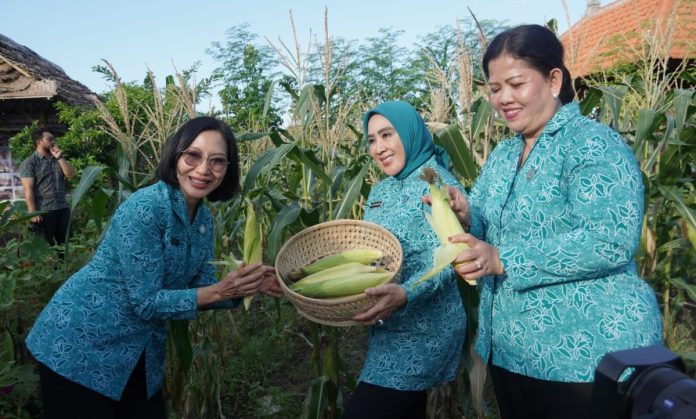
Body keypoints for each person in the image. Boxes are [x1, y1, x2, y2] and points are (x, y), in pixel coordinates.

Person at [444, 25, 663, 419]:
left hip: (585, 357)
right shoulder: (503, 156)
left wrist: (503, 260)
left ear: (554, 79)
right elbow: (489, 229)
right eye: (494, 89)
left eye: (516, 83)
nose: (503, 99)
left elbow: (608, 240)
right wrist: (466, 215)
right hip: (513, 352)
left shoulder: (591, 143)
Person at [25, 116, 282, 418]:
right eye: (193, 156)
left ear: (228, 170)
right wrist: (221, 290)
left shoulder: (202, 219)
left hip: (136, 353)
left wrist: (248, 287)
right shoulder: (146, 208)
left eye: (217, 161)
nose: (203, 170)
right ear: (175, 156)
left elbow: (203, 286)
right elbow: (147, 302)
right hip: (79, 348)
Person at [343, 101, 476, 419]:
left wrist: (406, 293)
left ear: (409, 132)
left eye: (387, 135)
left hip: (426, 328)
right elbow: (372, 250)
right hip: (387, 325)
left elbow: (453, 257)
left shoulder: (436, 182)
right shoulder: (379, 192)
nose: (378, 148)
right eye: (372, 140)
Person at [19, 128, 77, 247]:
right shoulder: (29, 163)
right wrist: (33, 212)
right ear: (39, 141)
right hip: (44, 210)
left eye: (53, 139)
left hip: (62, 208)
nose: (53, 141)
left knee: (65, 246)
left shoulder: (57, 159)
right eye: (50, 139)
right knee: (45, 248)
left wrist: (60, 157)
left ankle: (63, 266)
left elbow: (71, 175)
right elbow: (27, 189)